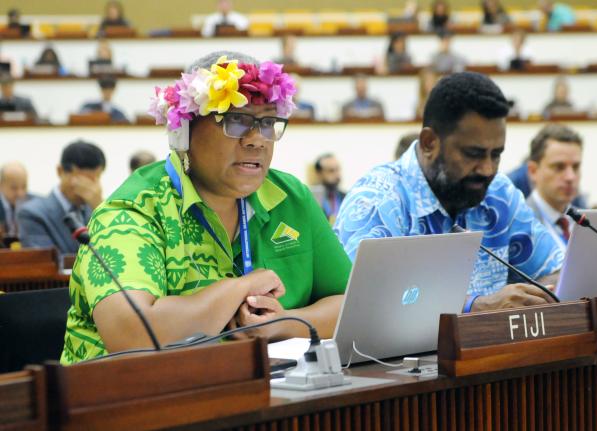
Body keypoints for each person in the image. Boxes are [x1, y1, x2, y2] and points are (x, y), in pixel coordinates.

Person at [60, 51, 352, 364]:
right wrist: (240, 288)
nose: (257, 140)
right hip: (124, 401)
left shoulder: (291, 197)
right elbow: (132, 335)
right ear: (183, 133)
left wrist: (281, 324)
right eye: (237, 121)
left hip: (261, 390)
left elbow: (356, 306)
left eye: (268, 122)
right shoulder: (132, 211)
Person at [334, 72, 564, 312]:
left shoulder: (499, 193)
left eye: (496, 155)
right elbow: (361, 308)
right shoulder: (377, 202)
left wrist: (547, 292)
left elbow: (558, 273)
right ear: (429, 143)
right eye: (473, 154)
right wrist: (474, 308)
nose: (487, 169)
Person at [17, 141, 105, 254]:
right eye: (83, 180)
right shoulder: (33, 213)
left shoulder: (96, 209)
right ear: (60, 171)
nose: (89, 187)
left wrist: (100, 210)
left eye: (95, 180)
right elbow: (46, 263)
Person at [526, 124, 583, 249]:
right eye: (559, 167)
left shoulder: (585, 222)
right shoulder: (519, 224)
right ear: (533, 171)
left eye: (576, 167)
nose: (570, 177)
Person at [0, 161, 31, 241]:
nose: (20, 193)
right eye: (14, 188)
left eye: (24, 187)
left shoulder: (35, 203)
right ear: (1, 185)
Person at [312, 154, 345, 224]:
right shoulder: (311, 198)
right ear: (319, 174)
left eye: (338, 169)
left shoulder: (346, 197)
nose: (337, 175)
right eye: (331, 171)